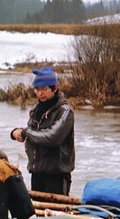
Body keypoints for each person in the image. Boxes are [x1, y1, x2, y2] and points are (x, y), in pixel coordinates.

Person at [10, 66, 75, 196]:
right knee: (39, 213)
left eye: (44, 89)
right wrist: (15, 133)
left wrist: (26, 132)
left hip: (57, 175)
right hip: (37, 173)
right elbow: (31, 133)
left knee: (57, 214)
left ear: (54, 88)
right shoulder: (36, 111)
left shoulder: (65, 111)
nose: (40, 93)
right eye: (38, 89)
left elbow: (53, 137)